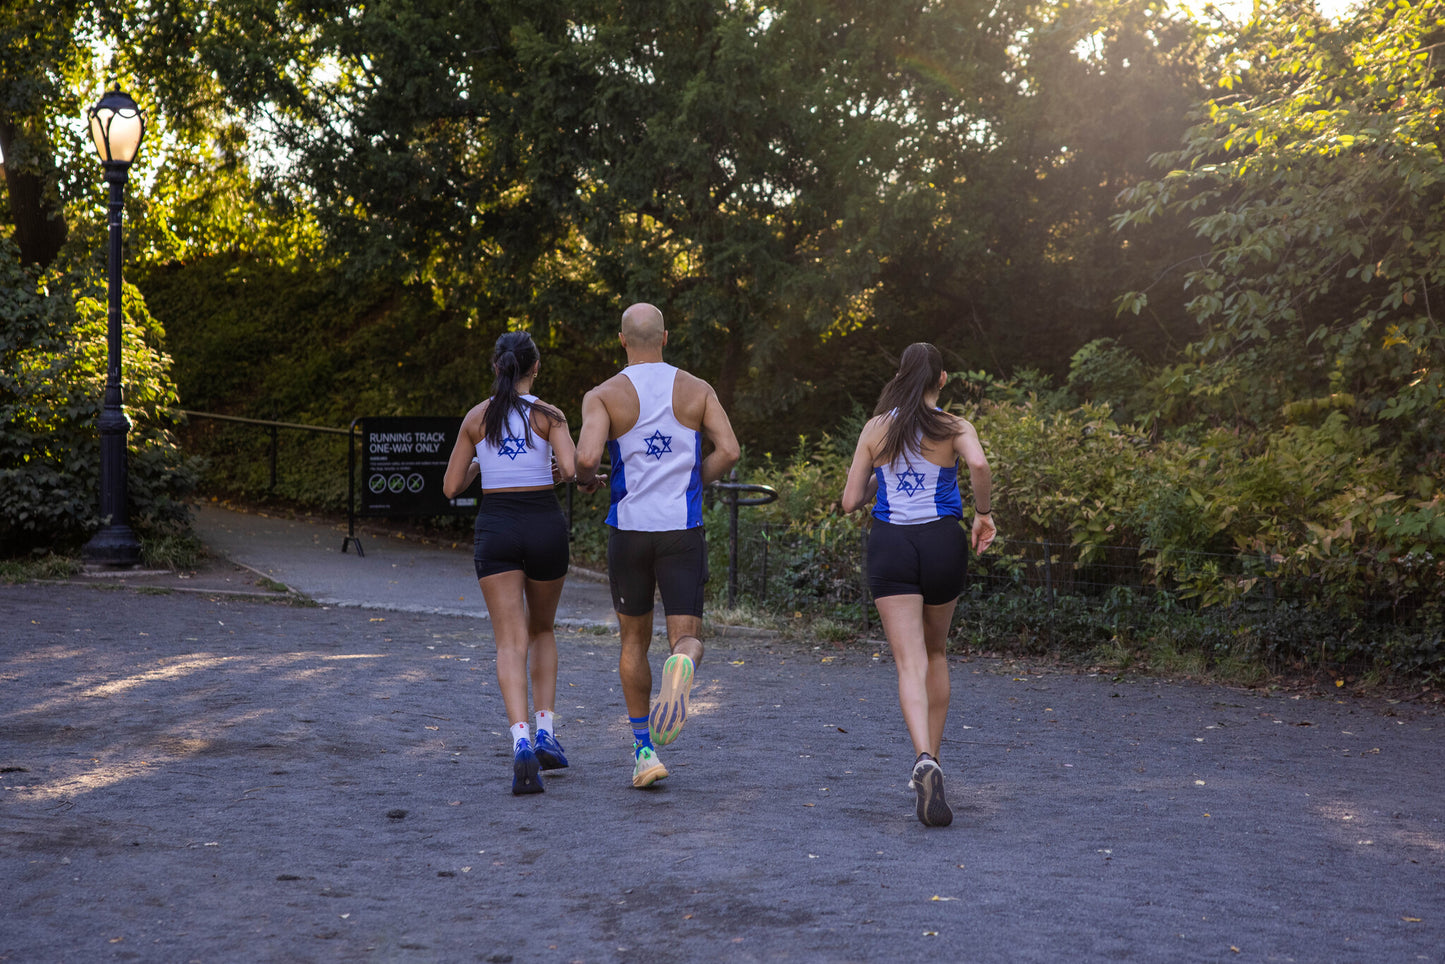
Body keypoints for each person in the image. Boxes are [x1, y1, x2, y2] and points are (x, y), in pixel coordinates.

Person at [575, 302, 741, 788]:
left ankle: (644, 752)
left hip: (629, 531)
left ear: (622, 340)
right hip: (680, 529)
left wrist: (588, 478)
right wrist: (695, 481)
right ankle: (683, 664)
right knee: (684, 637)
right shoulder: (698, 390)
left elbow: (586, 456)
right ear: (665, 337)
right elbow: (729, 450)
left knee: (632, 642)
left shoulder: (603, 395)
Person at [840, 342, 996, 827]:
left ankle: (922, 757)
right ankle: (936, 762)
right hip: (942, 543)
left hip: (891, 546)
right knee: (937, 654)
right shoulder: (955, 426)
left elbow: (849, 502)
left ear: (901, 373)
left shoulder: (876, 428)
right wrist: (984, 514)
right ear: (942, 380)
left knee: (909, 662)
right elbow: (979, 467)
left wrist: (878, 482)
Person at [443, 330, 580, 796]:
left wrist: (484, 464)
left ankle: (520, 742)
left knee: (509, 641)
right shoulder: (550, 415)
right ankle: (547, 733)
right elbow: (573, 470)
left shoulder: (476, 419)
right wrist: (564, 468)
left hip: (496, 526)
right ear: (535, 368)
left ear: (496, 367)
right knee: (542, 629)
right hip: (543, 522)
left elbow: (451, 487)